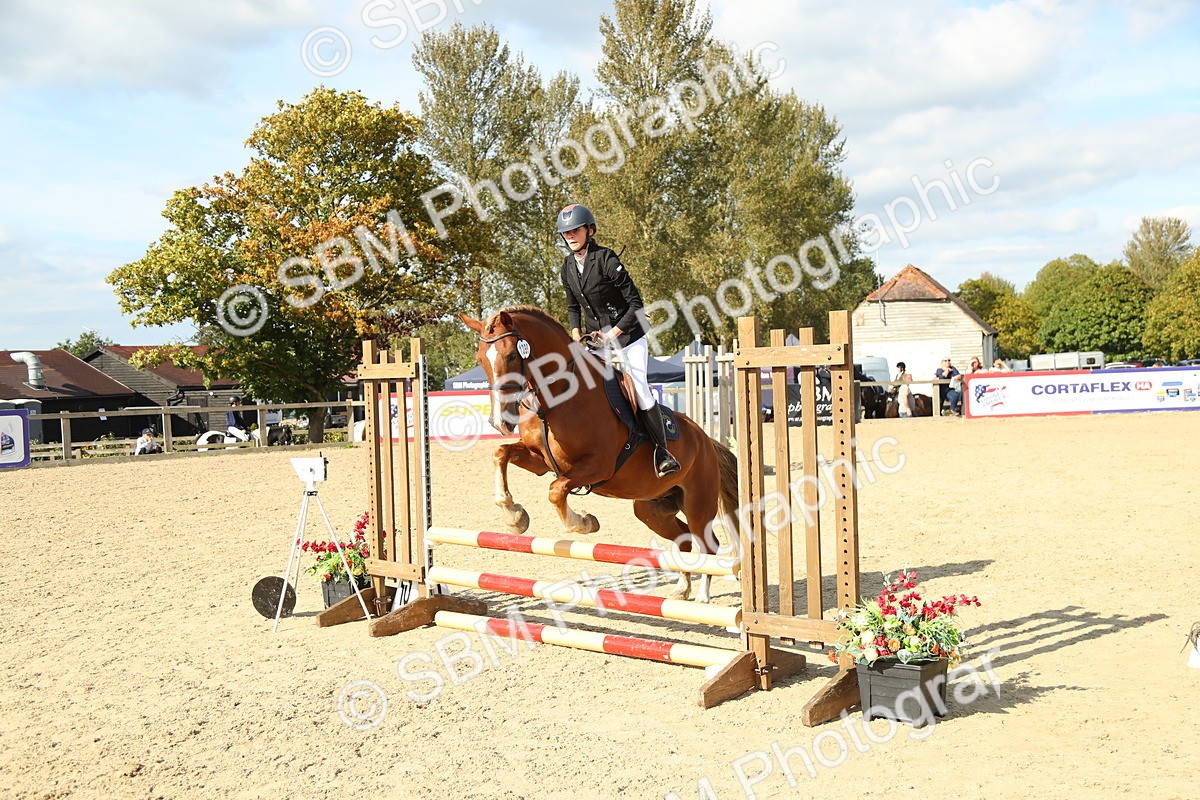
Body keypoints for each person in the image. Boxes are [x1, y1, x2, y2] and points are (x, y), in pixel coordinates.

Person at [556, 203, 679, 478]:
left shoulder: (607, 259)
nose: (571, 236)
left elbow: (636, 305)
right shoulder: (567, 267)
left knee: (640, 388)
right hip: (595, 341)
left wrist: (612, 335)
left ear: (590, 230)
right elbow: (573, 308)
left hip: (629, 337)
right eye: (566, 233)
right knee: (580, 382)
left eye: (576, 230)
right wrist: (576, 335)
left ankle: (662, 452)